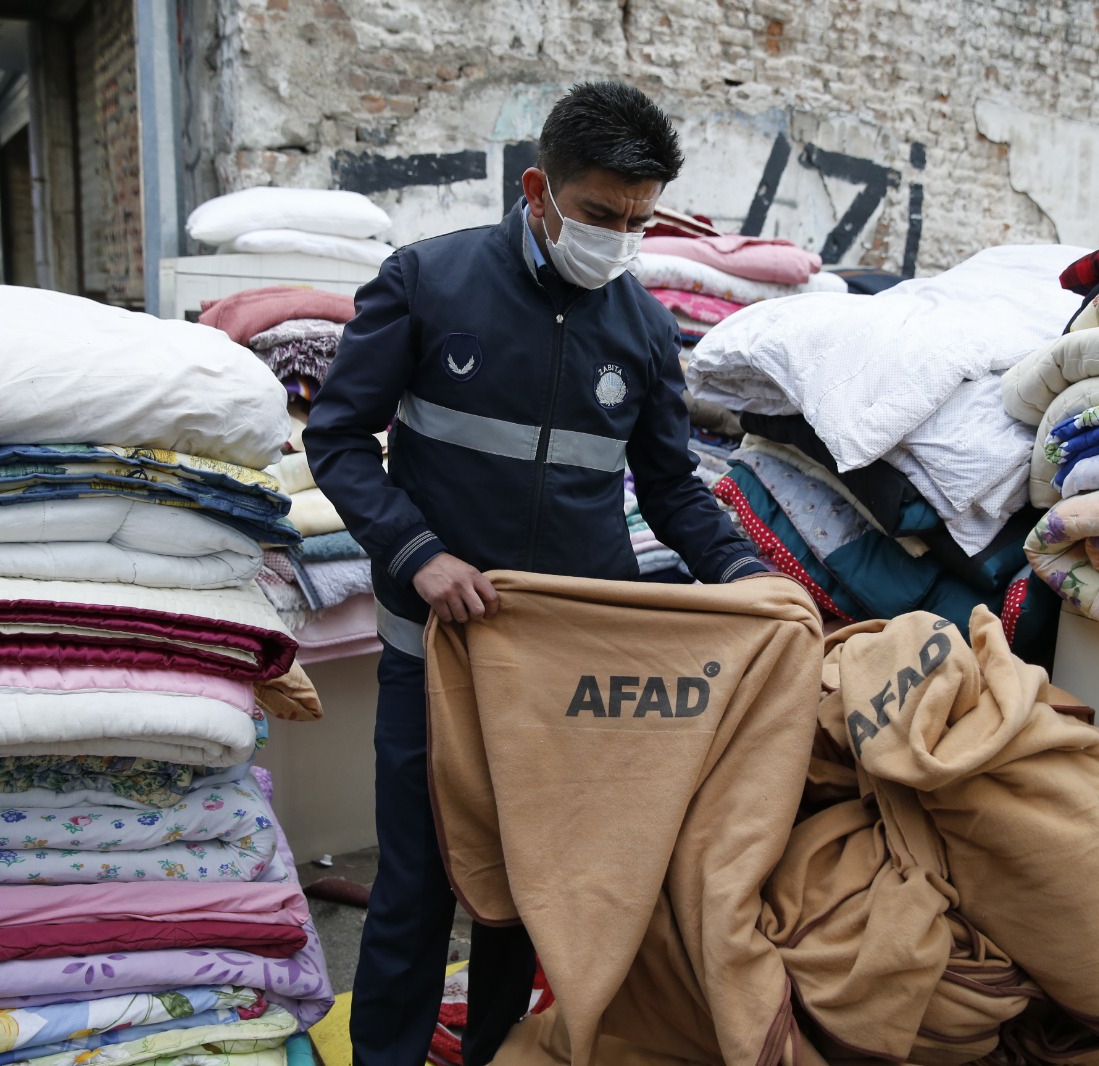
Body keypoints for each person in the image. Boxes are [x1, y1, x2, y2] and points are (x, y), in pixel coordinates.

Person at [305, 81, 770, 1066]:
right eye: (599, 214)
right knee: (418, 889)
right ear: (538, 190)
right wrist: (419, 554)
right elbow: (339, 439)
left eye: (638, 222)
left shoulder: (641, 328)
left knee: (526, 891)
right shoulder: (427, 283)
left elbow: (673, 488)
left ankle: (500, 1055)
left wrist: (743, 574)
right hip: (432, 658)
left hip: (565, 676)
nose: (617, 239)